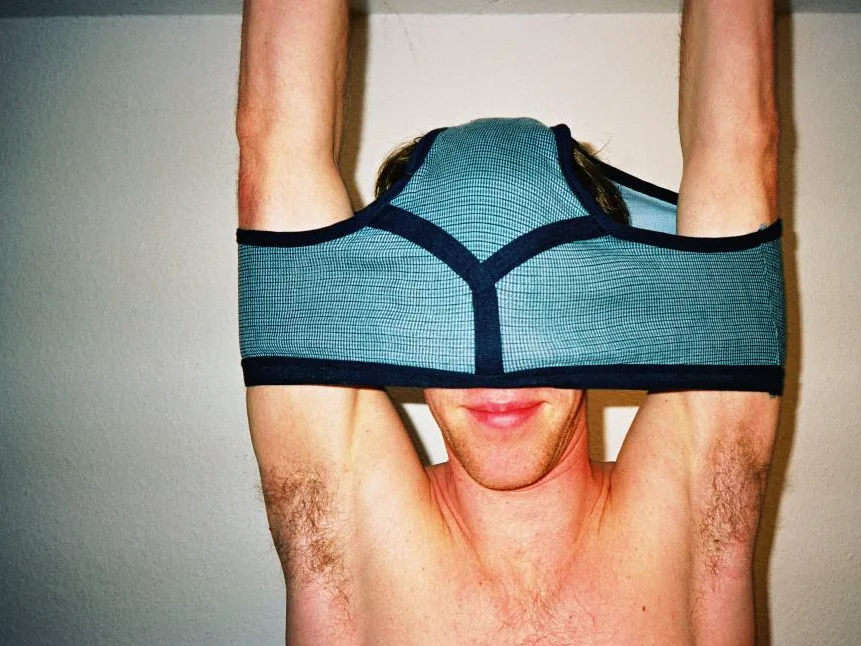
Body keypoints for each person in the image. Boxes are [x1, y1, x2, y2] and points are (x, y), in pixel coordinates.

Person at [235, 0, 781, 643]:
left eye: (549, 301)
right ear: (392, 320)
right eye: (437, 306)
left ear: (604, 311)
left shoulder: (691, 526)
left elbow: (741, 147)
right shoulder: (348, 536)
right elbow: (275, 142)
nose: (497, 373)